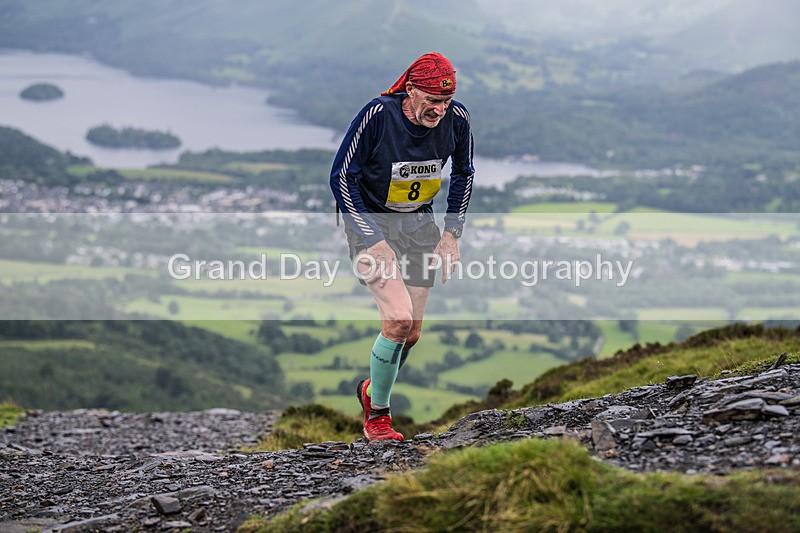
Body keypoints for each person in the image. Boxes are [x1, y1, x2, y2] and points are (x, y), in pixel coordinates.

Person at [329, 52, 475, 441]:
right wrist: (373, 241)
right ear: (410, 90)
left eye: (445, 101)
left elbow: (464, 174)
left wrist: (451, 235)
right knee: (397, 320)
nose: (439, 110)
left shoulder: (457, 120)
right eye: (432, 100)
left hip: (419, 223)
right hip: (369, 222)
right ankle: (378, 417)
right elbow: (341, 177)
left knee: (411, 332)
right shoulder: (378, 115)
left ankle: (370, 390)